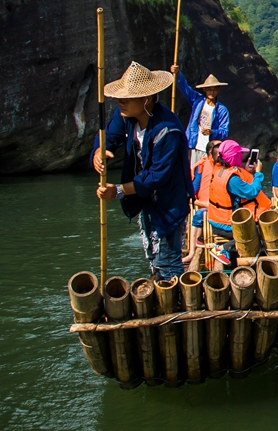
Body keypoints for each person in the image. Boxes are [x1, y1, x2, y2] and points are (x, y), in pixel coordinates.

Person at [93, 61, 191, 281]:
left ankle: (178, 305)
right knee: (152, 255)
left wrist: (118, 190)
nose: (121, 102)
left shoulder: (168, 130)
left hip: (168, 200)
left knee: (167, 258)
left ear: (146, 99)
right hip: (144, 197)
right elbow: (108, 136)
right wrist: (99, 151)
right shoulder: (126, 116)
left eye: (127, 98)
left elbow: (157, 175)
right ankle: (164, 293)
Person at [205, 139, 268, 268]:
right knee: (259, 231)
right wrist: (258, 173)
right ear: (234, 157)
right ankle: (224, 248)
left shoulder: (219, 169)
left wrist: (246, 171)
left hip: (215, 218)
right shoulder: (232, 179)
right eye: (240, 154)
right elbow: (252, 192)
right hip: (225, 224)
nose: (242, 156)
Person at [171, 65, 230, 168]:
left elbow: (224, 131)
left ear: (218, 90)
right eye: (209, 89)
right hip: (194, 146)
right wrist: (177, 74)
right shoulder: (197, 101)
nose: (211, 92)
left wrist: (212, 132)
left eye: (214, 89)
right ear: (205, 90)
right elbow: (185, 88)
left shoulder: (222, 110)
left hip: (210, 150)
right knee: (192, 172)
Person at [181, 138, 220, 268]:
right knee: (199, 214)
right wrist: (206, 204)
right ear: (211, 152)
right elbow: (191, 196)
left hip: (223, 208)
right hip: (205, 207)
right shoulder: (201, 167)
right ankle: (192, 252)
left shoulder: (226, 165)